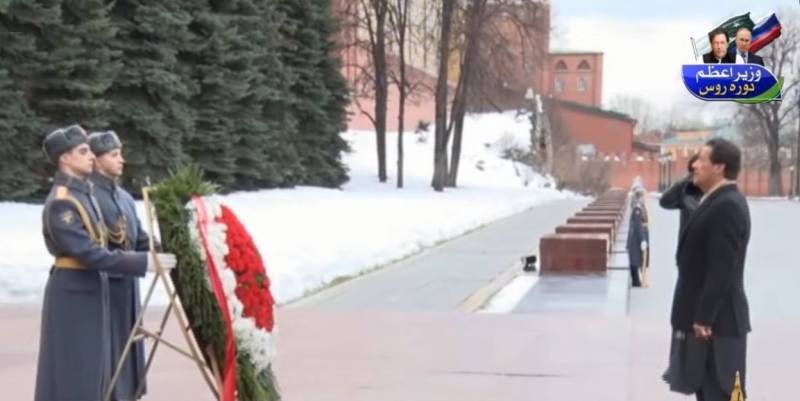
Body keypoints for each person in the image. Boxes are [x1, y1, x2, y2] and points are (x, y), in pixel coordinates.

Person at [34, 125, 176, 401]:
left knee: (96, 372)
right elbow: (89, 253)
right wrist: (142, 262)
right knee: (76, 372)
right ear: (64, 158)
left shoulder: (83, 194)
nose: (90, 156)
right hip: (74, 291)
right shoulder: (62, 203)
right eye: (83, 151)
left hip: (92, 289)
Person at [667, 138, 751, 401]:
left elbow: (722, 269)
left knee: (722, 392)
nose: (695, 166)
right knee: (707, 391)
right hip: (710, 322)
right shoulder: (714, 200)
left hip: (718, 324)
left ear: (719, 167)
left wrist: (703, 318)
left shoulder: (726, 205)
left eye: (702, 160)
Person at [88, 130, 152, 400]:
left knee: (130, 349)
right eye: (114, 155)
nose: (121, 160)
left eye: (120, 154)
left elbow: (139, 239)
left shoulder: (125, 197)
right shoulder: (89, 197)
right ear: (97, 160)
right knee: (109, 353)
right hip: (104, 287)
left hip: (129, 287)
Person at [659, 153, 703, 238]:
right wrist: (684, 180)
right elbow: (664, 201)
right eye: (693, 171)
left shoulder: (715, 193)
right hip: (687, 245)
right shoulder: (687, 194)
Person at [626, 188, 648, 287]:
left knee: (635, 259)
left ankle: (636, 281)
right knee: (634, 260)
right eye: (643, 197)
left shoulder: (639, 208)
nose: (645, 199)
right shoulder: (637, 209)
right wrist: (642, 240)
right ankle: (636, 282)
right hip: (635, 239)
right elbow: (638, 226)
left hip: (635, 238)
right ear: (640, 197)